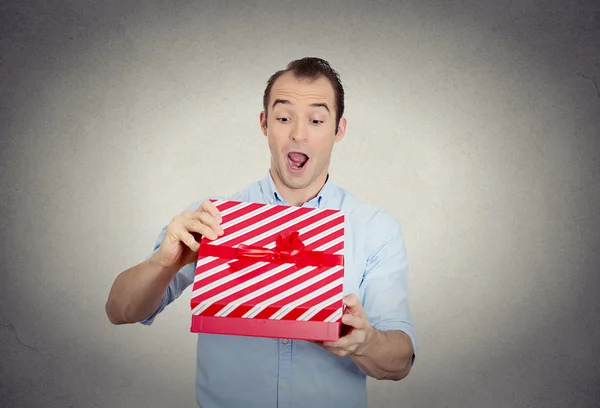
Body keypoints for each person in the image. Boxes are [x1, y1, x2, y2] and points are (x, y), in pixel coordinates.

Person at [105, 57, 416, 408]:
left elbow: (400, 361)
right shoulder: (212, 218)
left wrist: (365, 342)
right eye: (284, 118)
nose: (298, 133)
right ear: (265, 124)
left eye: (316, 120)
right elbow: (119, 311)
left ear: (338, 130)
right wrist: (163, 262)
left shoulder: (374, 228)